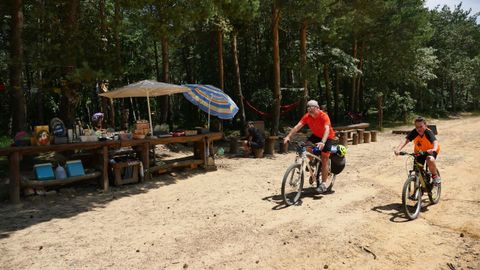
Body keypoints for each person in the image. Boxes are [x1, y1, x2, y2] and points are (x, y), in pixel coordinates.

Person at [283, 100, 336, 193]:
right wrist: (288, 136)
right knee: (305, 147)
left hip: (327, 137)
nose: (309, 110)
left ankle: (323, 184)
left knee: (324, 158)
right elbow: (297, 127)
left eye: (311, 108)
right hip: (316, 135)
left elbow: (327, 130)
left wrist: (323, 142)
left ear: (317, 108)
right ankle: (312, 163)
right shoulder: (307, 116)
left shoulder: (324, 116)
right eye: (308, 108)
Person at [394, 117, 441, 184]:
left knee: (430, 159)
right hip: (420, 151)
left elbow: (435, 142)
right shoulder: (415, 132)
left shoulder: (428, 132)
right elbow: (405, 140)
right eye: (417, 127)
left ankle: (435, 176)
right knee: (417, 170)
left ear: (425, 126)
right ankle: (418, 188)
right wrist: (398, 149)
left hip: (431, 150)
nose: (419, 129)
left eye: (421, 126)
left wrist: (434, 149)